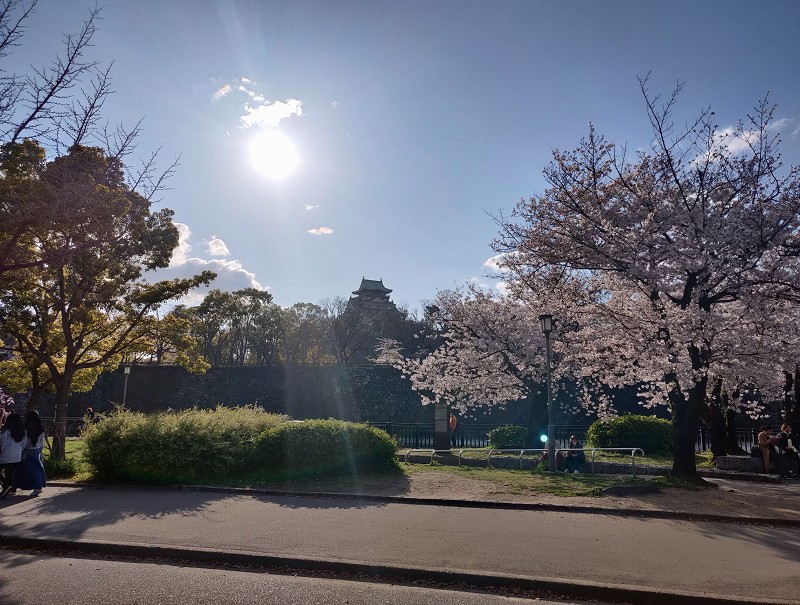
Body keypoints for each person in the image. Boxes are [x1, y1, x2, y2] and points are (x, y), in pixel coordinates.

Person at [13, 410, 47, 496]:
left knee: (25, 469)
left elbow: (25, 442)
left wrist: (22, 451)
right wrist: (40, 450)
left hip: (28, 451)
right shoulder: (40, 429)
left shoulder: (26, 428)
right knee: (36, 470)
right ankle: (38, 486)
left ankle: (19, 485)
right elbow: (41, 442)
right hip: (37, 450)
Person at [0, 412, 26, 499]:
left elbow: (2, 446)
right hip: (17, 456)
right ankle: (11, 488)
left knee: (4, 468)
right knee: (9, 470)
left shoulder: (6, 432)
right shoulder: (23, 432)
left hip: (5, 456)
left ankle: (5, 486)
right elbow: (23, 445)